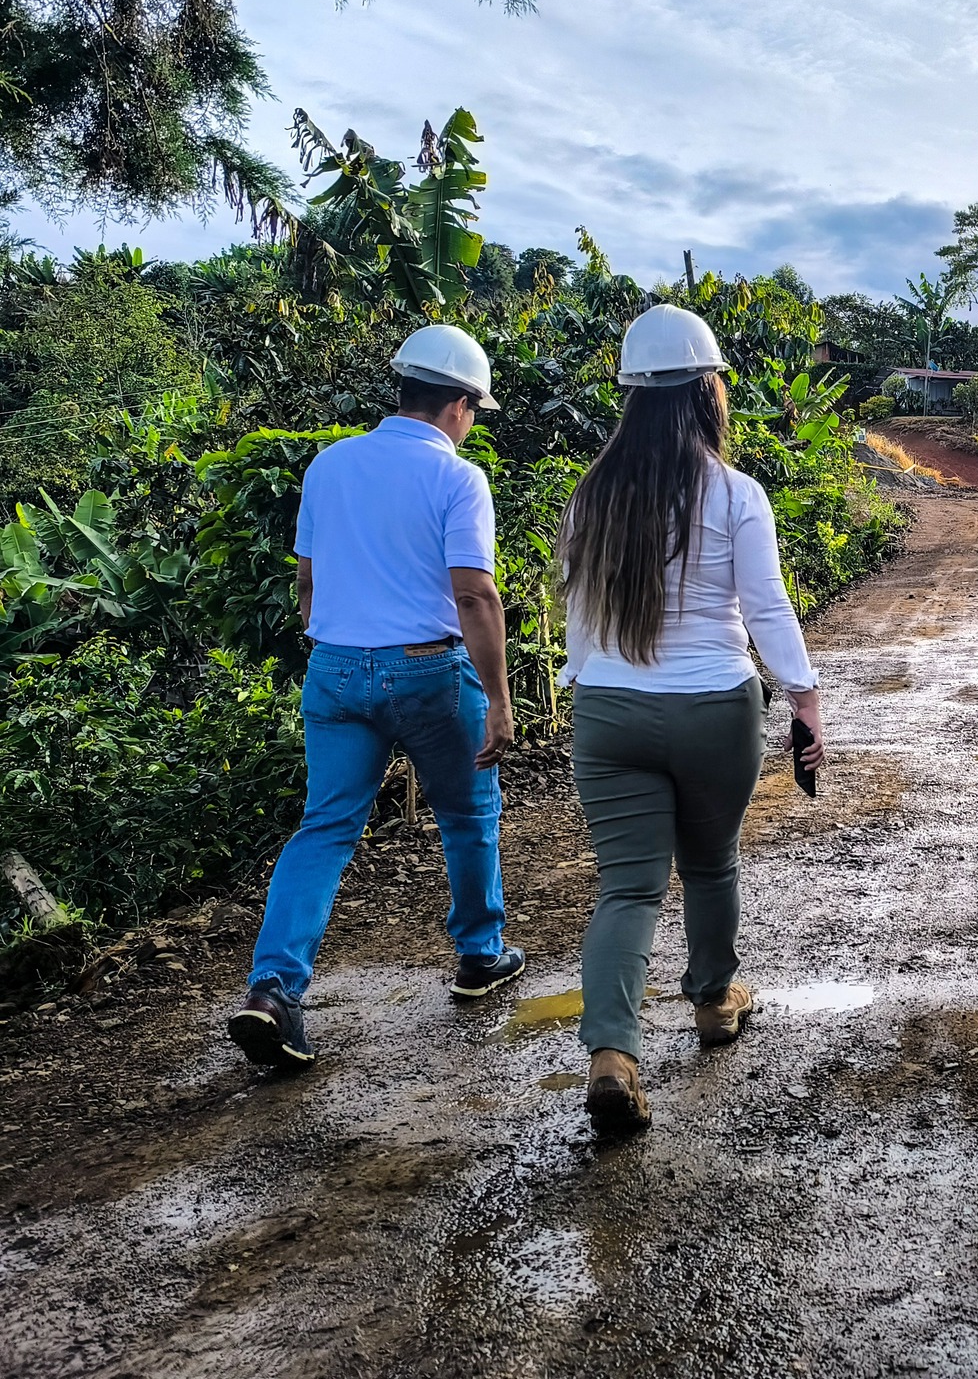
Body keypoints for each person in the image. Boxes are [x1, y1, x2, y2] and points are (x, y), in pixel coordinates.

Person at [557, 304, 824, 1134]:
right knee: (710, 865)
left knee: (628, 887)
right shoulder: (736, 493)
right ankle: (712, 1001)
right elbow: (766, 607)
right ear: (710, 392)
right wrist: (805, 698)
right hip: (714, 707)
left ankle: (613, 1054)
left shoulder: (592, 495)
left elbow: (578, 614)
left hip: (610, 711)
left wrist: (584, 682)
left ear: (632, 394)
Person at [230, 325, 523, 1068]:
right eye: (474, 411)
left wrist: (338, 645)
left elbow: (307, 581)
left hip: (334, 668)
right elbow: (474, 594)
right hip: (428, 670)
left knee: (324, 829)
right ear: (459, 404)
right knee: (467, 812)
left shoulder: (329, 465)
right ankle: (479, 954)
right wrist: (499, 698)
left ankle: (273, 990)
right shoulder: (458, 478)